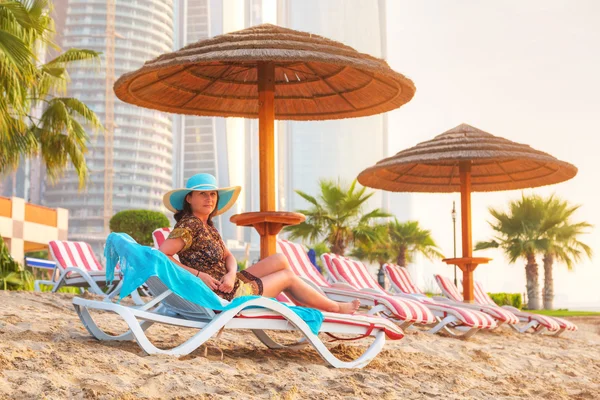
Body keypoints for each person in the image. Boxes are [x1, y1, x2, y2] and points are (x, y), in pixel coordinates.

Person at [159, 173, 360, 314]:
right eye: (202, 194)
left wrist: (230, 274)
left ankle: (307, 303)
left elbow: (229, 256)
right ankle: (332, 307)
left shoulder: (208, 227)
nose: (209, 198)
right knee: (287, 276)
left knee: (280, 259)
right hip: (222, 296)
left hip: (229, 283)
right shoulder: (190, 225)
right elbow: (162, 255)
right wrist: (198, 275)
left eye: (212, 194)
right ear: (189, 198)